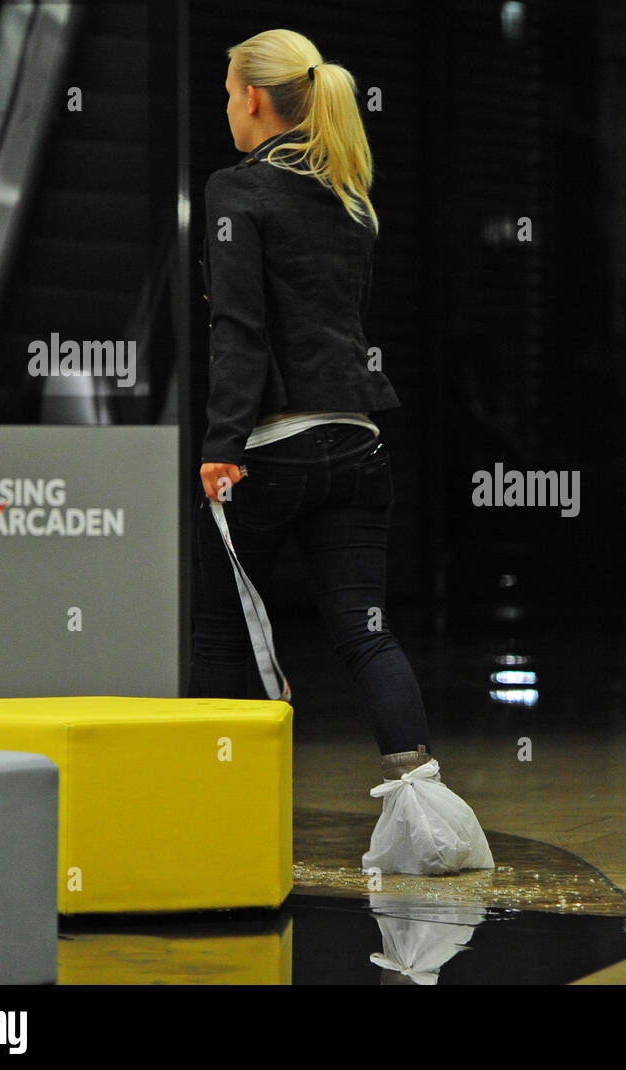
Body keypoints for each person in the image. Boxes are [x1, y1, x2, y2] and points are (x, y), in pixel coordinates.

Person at [189, 28, 492, 876]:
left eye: (226, 95)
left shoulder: (236, 190)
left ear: (253, 99)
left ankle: (217, 826)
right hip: (360, 445)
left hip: (271, 448)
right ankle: (431, 827)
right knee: (366, 633)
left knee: (221, 638)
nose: (225, 109)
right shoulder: (350, 196)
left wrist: (221, 443)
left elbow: (239, 329)